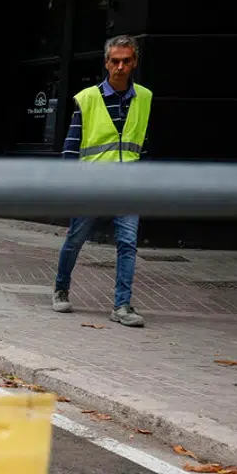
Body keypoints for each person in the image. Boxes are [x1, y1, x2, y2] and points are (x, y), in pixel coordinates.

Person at [52, 35, 151, 328]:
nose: (120, 67)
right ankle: (61, 288)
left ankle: (121, 305)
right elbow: (71, 147)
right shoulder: (88, 99)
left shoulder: (144, 98)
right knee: (75, 240)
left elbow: (143, 146)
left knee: (128, 244)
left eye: (126, 61)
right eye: (115, 61)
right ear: (106, 63)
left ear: (134, 62)